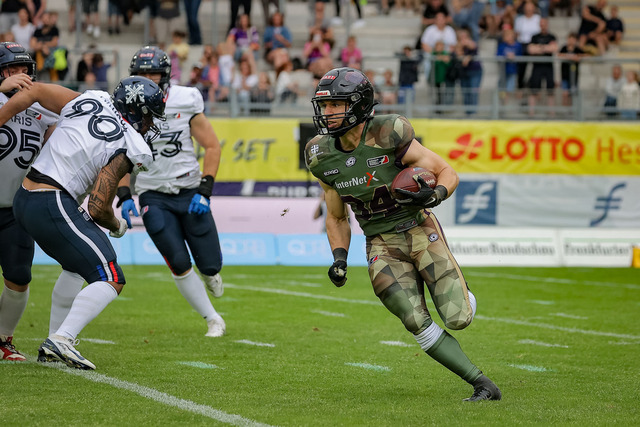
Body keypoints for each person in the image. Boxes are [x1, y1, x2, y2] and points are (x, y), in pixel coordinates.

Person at [304, 67, 501, 402]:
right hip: (380, 243)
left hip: (419, 228)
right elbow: (336, 216)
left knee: (458, 318)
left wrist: (435, 194)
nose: (328, 112)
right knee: (412, 318)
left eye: (336, 104)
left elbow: (446, 171)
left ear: (358, 104)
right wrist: (339, 258)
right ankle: (482, 384)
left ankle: (460, 291)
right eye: (324, 105)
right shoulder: (320, 155)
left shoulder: (388, 132)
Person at [0, 75, 165, 370]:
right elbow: (98, 207)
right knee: (110, 275)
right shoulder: (131, 142)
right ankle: (62, 338)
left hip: (23, 197)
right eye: (149, 116)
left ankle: (53, 342)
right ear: (136, 110)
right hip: (51, 200)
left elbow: (35, 90)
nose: (151, 124)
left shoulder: (93, 99)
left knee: (76, 266)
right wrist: (115, 225)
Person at [126, 47, 225, 337]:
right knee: (178, 262)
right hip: (152, 193)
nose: (147, 79)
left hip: (188, 189)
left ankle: (210, 274)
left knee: (210, 264)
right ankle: (213, 319)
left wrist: (205, 190)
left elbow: (212, 146)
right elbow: (120, 153)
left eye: (153, 73)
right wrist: (123, 195)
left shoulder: (185, 99)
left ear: (165, 75)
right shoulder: (126, 104)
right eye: (141, 74)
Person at [0, 42, 58, 362]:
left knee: (19, 277)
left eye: (25, 69)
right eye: (13, 69)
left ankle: (2, 339)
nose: (21, 75)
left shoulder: (40, 106)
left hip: (15, 208)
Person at [527, 18, 557, 116]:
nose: (543, 26)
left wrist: (539, 48)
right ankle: (531, 112)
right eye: (541, 24)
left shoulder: (552, 36)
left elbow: (554, 48)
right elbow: (531, 50)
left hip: (548, 66)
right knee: (534, 89)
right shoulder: (535, 37)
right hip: (537, 66)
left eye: (544, 24)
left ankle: (551, 112)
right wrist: (546, 47)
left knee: (550, 90)